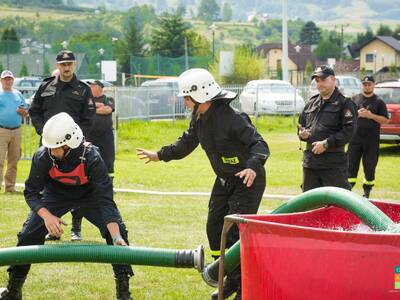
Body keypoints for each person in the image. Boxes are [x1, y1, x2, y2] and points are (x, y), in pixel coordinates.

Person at [137, 68, 269, 300]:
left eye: (187, 98)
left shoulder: (233, 118)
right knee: (214, 229)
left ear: (202, 96)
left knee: (235, 236)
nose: (185, 103)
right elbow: (185, 144)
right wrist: (159, 155)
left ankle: (244, 288)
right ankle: (229, 281)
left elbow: (260, 144)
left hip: (247, 181)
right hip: (224, 180)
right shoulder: (199, 118)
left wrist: (252, 166)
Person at [0, 113, 133, 300]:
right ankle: (13, 290)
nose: (50, 151)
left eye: (55, 148)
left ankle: (123, 292)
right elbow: (31, 192)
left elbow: (105, 201)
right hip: (55, 195)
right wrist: (47, 216)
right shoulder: (43, 155)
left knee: (119, 234)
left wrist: (117, 235)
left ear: (69, 143)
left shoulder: (93, 158)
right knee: (28, 234)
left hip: (90, 196)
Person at [29, 50, 95, 241]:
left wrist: (75, 141)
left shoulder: (83, 89)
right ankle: (52, 228)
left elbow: (88, 119)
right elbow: (35, 112)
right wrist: (44, 133)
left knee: (77, 185)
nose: (66, 68)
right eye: (63, 64)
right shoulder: (46, 86)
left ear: (74, 65)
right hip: (50, 147)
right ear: (58, 66)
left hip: (74, 148)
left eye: (70, 64)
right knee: (48, 187)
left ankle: (76, 228)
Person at [298, 65, 357, 192]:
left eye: (323, 80)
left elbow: (349, 131)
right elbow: (302, 126)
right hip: (311, 164)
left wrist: (326, 144)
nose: (320, 84)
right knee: (310, 205)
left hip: (333, 164)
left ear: (333, 80)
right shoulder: (311, 103)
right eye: (317, 81)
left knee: (338, 205)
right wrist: (303, 134)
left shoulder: (344, 103)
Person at [347, 75, 389, 198]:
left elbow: (385, 120)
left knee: (370, 166)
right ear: (362, 85)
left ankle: (367, 192)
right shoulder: (354, 100)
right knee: (350, 165)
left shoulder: (379, 102)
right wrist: (357, 115)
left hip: (371, 140)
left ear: (373, 85)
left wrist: (371, 116)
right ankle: (348, 191)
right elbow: (346, 117)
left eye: (369, 84)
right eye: (364, 84)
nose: (367, 86)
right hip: (354, 139)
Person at [0, 70, 28, 193]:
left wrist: (23, 112)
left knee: (13, 161)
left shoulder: (18, 94)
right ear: (1, 81)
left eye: (10, 78)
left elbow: (26, 112)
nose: (8, 81)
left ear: (13, 80)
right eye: (5, 79)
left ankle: (10, 187)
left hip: (16, 131)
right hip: (2, 130)